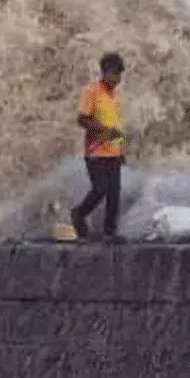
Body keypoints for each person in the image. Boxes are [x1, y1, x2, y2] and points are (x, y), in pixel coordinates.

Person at [72, 52, 126, 240]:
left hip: (114, 152)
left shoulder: (115, 96)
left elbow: (117, 125)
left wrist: (121, 149)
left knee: (114, 195)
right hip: (95, 151)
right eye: (115, 74)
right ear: (105, 72)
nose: (118, 79)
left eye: (120, 75)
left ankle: (110, 233)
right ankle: (79, 214)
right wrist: (104, 130)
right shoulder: (92, 91)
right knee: (100, 189)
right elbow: (82, 119)